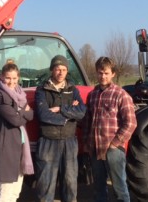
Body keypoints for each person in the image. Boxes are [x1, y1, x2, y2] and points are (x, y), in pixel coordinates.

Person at [82, 56, 137, 202]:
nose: (103, 76)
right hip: (95, 150)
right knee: (99, 188)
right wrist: (87, 143)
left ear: (113, 74)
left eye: (106, 73)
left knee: (120, 188)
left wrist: (114, 144)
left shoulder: (121, 95)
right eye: (100, 73)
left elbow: (131, 123)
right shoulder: (92, 95)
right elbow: (87, 121)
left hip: (113, 150)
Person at [34, 55, 86, 202]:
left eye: (64, 69)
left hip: (69, 142)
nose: (61, 72)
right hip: (48, 142)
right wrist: (69, 116)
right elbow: (44, 115)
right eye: (57, 69)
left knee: (70, 184)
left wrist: (60, 109)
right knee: (46, 186)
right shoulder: (42, 90)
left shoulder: (72, 90)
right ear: (52, 70)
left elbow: (81, 112)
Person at [0, 60, 34, 202]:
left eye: (14, 78)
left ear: (18, 78)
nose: (11, 82)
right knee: (5, 194)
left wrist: (20, 112)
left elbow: (31, 114)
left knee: (15, 193)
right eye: (8, 78)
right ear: (2, 77)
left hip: (20, 147)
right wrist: (24, 111)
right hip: (6, 147)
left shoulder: (20, 94)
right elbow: (15, 120)